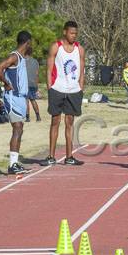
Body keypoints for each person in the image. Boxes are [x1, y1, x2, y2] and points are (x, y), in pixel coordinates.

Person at [45, 21, 85, 166]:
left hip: (74, 91)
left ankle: (69, 157)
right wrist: (50, 87)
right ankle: (51, 156)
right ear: (65, 32)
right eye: (71, 33)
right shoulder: (56, 47)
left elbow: (82, 69)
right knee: (55, 121)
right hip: (57, 89)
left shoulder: (80, 49)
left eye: (75, 33)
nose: (74, 36)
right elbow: (49, 69)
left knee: (70, 122)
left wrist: (81, 87)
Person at [0, 31, 33, 175]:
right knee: (17, 128)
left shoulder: (22, 58)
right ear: (27, 42)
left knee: (20, 129)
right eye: (31, 43)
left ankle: (14, 163)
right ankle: (12, 165)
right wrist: (6, 82)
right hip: (12, 97)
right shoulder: (14, 56)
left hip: (21, 97)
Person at [25, 52, 41, 122]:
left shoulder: (22, 61)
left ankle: (27, 118)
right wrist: (36, 85)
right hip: (33, 83)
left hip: (25, 83)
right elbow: (37, 74)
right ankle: (38, 116)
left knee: (26, 100)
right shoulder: (35, 61)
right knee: (33, 100)